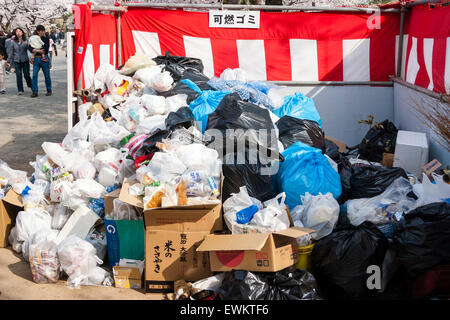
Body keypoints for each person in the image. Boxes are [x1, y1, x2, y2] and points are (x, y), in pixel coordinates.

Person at [7, 27, 32, 95]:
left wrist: (28, 46)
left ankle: (30, 85)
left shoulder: (26, 40)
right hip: (16, 60)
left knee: (26, 75)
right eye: (17, 31)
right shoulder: (13, 42)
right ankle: (20, 89)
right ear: (15, 33)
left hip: (25, 60)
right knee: (18, 75)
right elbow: (11, 52)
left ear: (22, 32)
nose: (18, 32)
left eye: (20, 31)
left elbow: (30, 49)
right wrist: (8, 61)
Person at [29, 25, 52, 97]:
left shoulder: (45, 38)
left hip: (44, 58)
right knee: (34, 75)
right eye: (41, 31)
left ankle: (49, 90)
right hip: (36, 58)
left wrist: (35, 50)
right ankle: (34, 91)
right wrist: (38, 50)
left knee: (47, 75)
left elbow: (46, 49)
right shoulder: (33, 38)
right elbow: (30, 48)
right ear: (38, 31)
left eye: (43, 30)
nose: (42, 32)